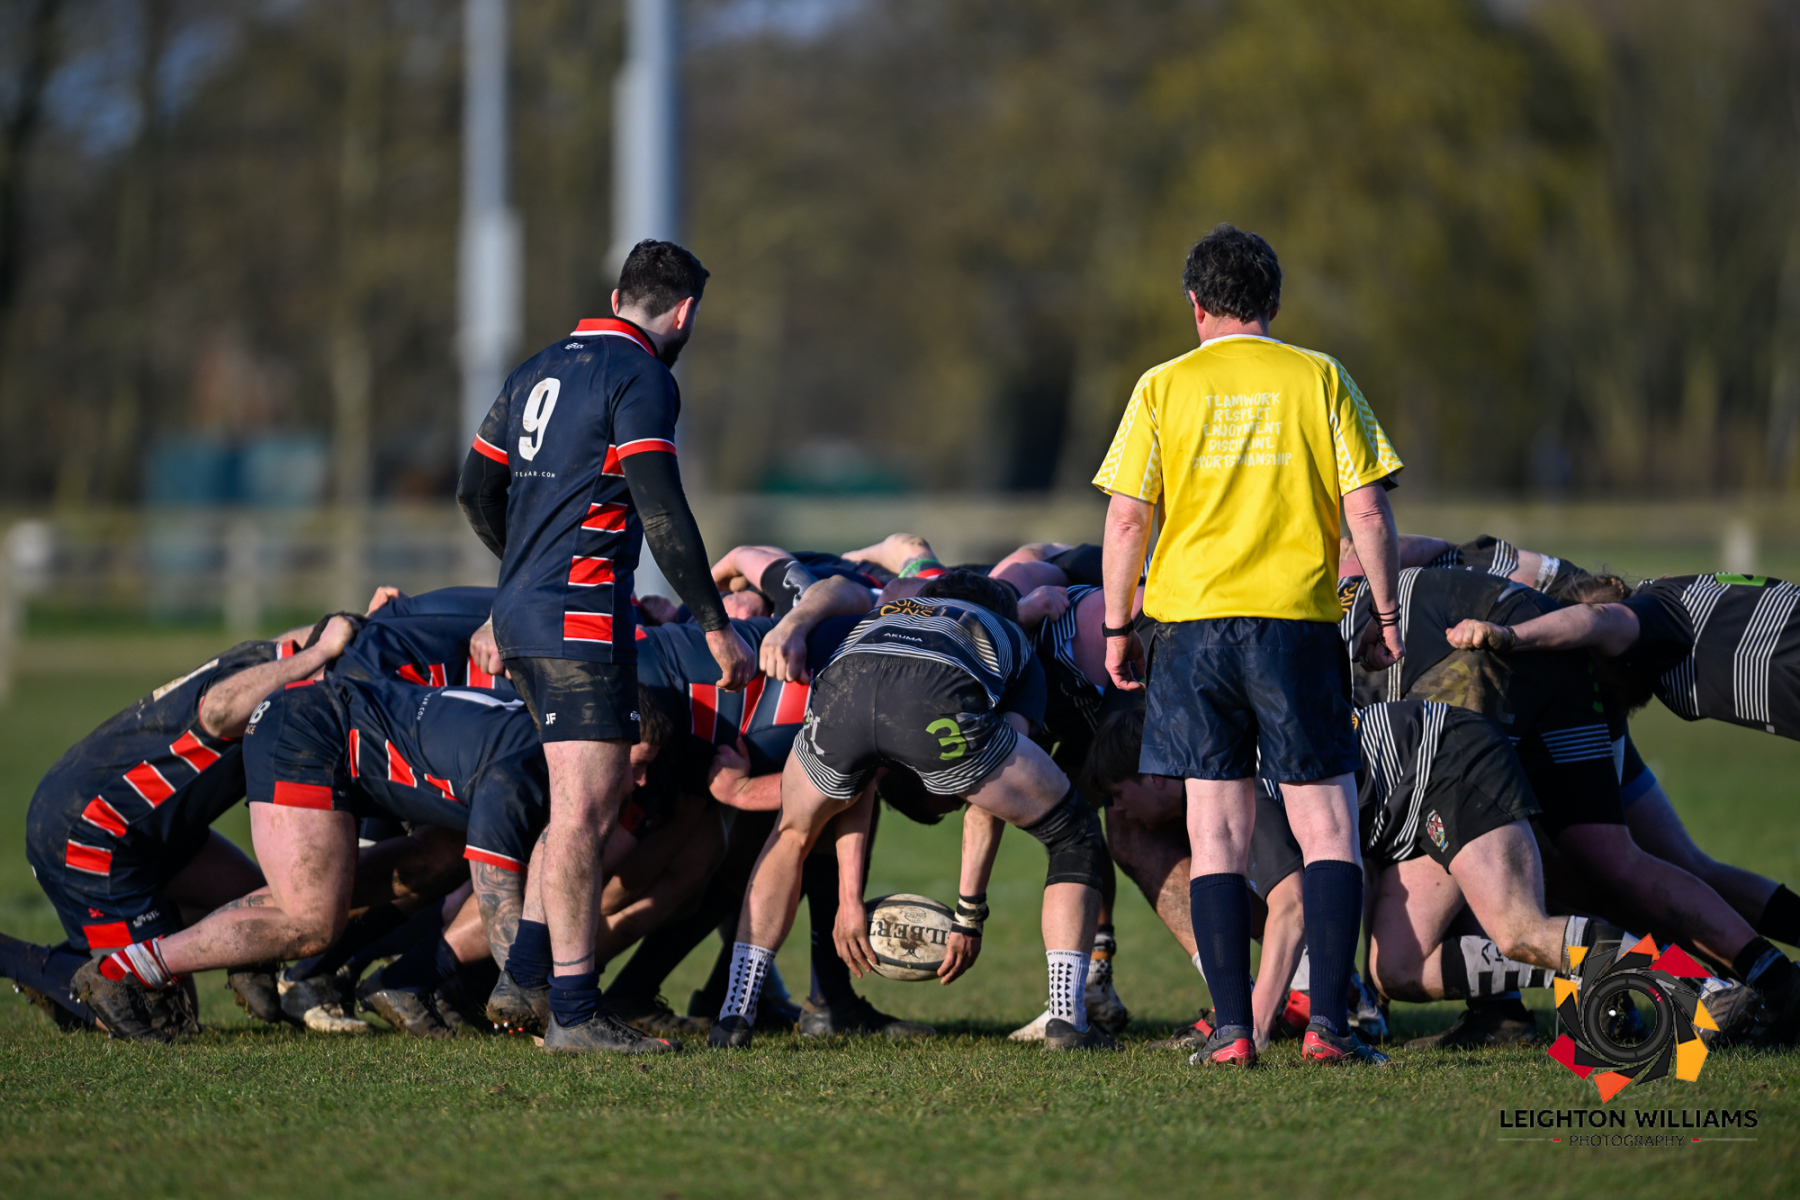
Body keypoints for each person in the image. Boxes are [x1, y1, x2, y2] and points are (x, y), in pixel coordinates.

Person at [1093, 223, 1405, 1067]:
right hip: (1294, 623)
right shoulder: (1320, 376)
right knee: (1327, 826)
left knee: (1216, 830)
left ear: (1195, 305)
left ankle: (1233, 1033)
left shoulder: (1161, 386)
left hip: (1191, 630)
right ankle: (1333, 1029)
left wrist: (1119, 625)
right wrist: (1384, 612)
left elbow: (1127, 516)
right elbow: (1368, 510)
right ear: (1273, 304)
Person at [456, 239, 755, 1053]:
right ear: (684, 312)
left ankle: (523, 973)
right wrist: (715, 623)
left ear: (619, 293)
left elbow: (475, 490)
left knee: (571, 801)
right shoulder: (643, 376)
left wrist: (524, 575)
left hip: (520, 613)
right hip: (579, 619)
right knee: (589, 812)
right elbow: (662, 508)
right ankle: (577, 1015)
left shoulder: (537, 366)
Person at [709, 571, 1118, 1052]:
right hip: (936, 700)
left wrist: (849, 902)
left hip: (845, 689)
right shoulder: (1011, 637)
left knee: (792, 834)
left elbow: (861, 782)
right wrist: (969, 913)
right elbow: (990, 799)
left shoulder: (880, 616)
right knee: (1074, 835)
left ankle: (734, 1013)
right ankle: (1068, 1022)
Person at [0, 611, 364, 1034]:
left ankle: (132, 939)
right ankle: (26, 961)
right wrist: (324, 650)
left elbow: (312, 637)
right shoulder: (294, 673)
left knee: (268, 909)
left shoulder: (278, 654)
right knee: (161, 1018)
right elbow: (218, 711)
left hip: (151, 826)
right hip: (95, 832)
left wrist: (351, 625)